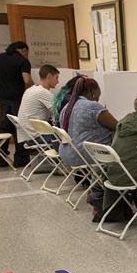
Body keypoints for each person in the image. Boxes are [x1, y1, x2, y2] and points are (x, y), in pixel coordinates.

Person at [57, 76, 117, 219]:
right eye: (98, 95)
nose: (97, 99)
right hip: (85, 155)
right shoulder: (93, 107)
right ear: (92, 92)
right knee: (118, 154)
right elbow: (118, 126)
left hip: (67, 152)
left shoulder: (67, 106)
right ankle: (102, 194)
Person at [0, 41, 33, 167]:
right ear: (23, 50)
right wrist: (35, 87)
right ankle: (20, 159)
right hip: (16, 98)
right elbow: (26, 80)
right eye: (27, 52)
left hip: (2, 98)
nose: (27, 55)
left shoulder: (0, 58)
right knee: (19, 128)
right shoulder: (22, 61)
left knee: (4, 128)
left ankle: (1, 158)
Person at [17, 64, 60, 141]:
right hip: (36, 136)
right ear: (49, 76)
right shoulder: (43, 92)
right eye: (56, 78)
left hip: (25, 135)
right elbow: (61, 111)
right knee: (67, 137)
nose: (58, 82)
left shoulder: (30, 89)